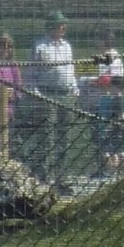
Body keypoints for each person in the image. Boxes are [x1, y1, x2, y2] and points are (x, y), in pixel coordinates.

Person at [29, 18, 80, 183]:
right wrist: (36, 93)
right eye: (60, 25)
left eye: (64, 24)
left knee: (65, 137)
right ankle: (45, 176)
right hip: (47, 94)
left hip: (67, 94)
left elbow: (70, 69)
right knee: (46, 136)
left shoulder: (67, 46)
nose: (63, 27)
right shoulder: (40, 46)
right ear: (51, 27)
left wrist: (74, 88)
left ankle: (62, 176)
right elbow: (31, 73)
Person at [89, 43, 124, 177]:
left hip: (112, 128)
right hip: (106, 127)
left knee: (113, 152)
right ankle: (117, 172)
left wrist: (121, 125)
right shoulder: (105, 98)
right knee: (114, 151)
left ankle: (115, 172)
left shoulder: (116, 99)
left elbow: (121, 114)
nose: (100, 89)